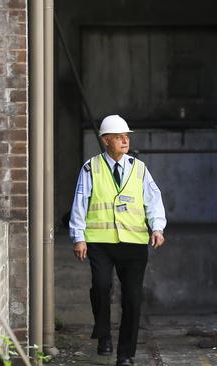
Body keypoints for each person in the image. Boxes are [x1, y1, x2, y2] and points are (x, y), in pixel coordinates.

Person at [69, 114, 166, 366]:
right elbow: (80, 203)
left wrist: (157, 228)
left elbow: (153, 201)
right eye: (119, 137)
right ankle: (103, 334)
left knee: (132, 300)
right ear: (106, 141)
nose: (125, 140)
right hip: (100, 242)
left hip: (134, 244)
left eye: (127, 136)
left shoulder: (139, 168)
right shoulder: (91, 168)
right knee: (101, 287)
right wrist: (79, 237)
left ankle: (125, 355)